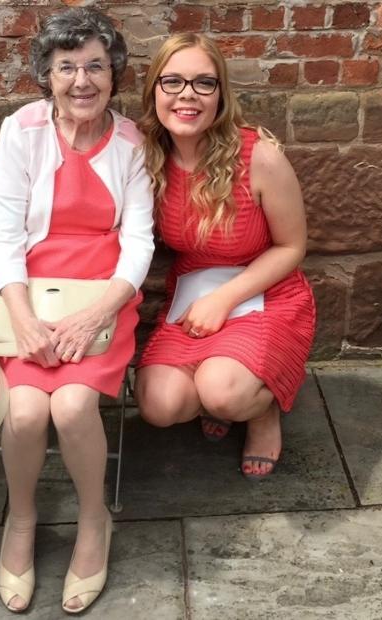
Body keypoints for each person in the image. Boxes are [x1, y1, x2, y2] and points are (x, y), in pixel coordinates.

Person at [0, 8, 153, 614]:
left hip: (103, 294)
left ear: (114, 74)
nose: (82, 80)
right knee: (26, 412)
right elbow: (1, 234)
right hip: (27, 292)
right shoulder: (20, 130)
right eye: (67, 67)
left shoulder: (131, 142)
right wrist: (23, 317)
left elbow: (139, 242)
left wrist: (97, 313)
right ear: (46, 76)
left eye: (96, 66)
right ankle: (21, 521)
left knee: (75, 403)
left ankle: (92, 519)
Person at [135, 33, 316, 480]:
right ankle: (225, 389)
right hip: (192, 291)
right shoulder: (146, 157)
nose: (187, 96)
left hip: (266, 290)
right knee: (159, 406)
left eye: (204, 83)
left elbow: (292, 247)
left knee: (223, 392)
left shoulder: (260, 157)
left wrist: (225, 299)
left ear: (221, 94)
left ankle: (259, 412)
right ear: (154, 90)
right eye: (172, 81)